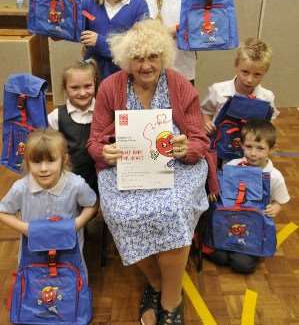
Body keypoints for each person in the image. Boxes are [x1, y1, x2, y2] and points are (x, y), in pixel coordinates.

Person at [87, 19, 218, 325]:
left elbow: (199, 138)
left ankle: (171, 300)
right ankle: (158, 284)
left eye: (153, 56)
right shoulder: (110, 87)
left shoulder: (179, 84)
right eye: (138, 57)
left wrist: (189, 149)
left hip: (175, 167)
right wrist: (103, 151)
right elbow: (93, 142)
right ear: (125, 60)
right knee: (119, 213)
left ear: (164, 57)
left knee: (173, 209)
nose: (146, 65)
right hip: (126, 166)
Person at [0, 129, 98, 273]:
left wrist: (77, 224)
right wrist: (26, 228)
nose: (44, 169)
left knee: (71, 287)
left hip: (70, 253)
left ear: (63, 160)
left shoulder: (76, 185)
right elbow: (3, 212)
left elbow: (92, 204)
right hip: (32, 255)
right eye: (36, 162)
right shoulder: (20, 188)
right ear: (27, 162)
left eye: (51, 160)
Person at [205, 119, 290, 273]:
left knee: (241, 265)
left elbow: (281, 201)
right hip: (230, 221)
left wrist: (276, 207)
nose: (253, 153)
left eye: (260, 148)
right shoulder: (231, 166)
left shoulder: (275, 176)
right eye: (249, 146)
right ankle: (230, 249)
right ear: (241, 145)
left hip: (254, 226)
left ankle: (248, 253)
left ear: (271, 149)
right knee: (220, 257)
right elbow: (223, 191)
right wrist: (214, 192)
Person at [80, 0, 149, 79]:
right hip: (93, 82)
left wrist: (100, 42)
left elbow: (139, 47)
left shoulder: (139, 6)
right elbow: (65, 29)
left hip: (127, 81)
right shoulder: (88, 4)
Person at [201, 37, 279, 135]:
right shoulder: (218, 90)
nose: (249, 80)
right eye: (245, 72)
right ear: (236, 66)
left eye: (257, 74)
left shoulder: (267, 97)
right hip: (221, 144)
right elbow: (205, 111)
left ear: (265, 72)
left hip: (250, 147)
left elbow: (270, 122)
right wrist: (207, 123)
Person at [47, 59, 99, 194]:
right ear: (65, 87)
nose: (82, 93)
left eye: (88, 86)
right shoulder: (55, 117)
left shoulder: (104, 111)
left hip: (100, 179)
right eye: (75, 88)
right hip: (70, 182)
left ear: (95, 83)